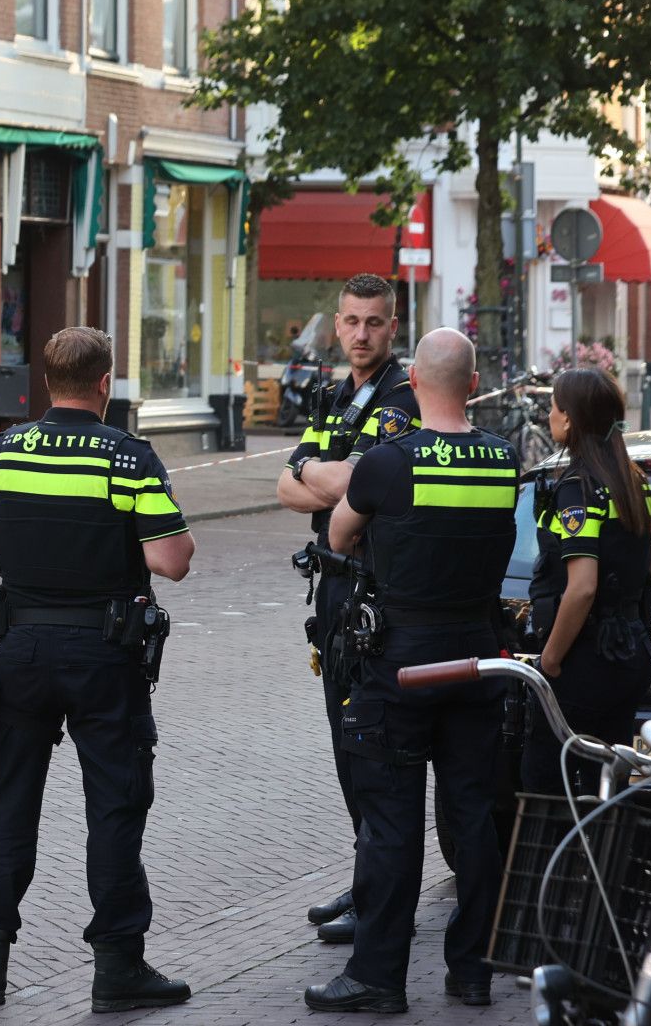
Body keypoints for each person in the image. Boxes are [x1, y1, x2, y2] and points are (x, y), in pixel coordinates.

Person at [0, 326, 197, 1011]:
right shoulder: (128, 457)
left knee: (9, 803)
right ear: (105, 382)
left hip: (20, 653)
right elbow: (172, 559)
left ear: (43, 384)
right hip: (105, 656)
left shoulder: (5, 452)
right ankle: (118, 968)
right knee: (114, 808)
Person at [306, 328, 517, 1013]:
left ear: (416, 384)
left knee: (391, 824)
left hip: (398, 664)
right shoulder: (502, 462)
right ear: (476, 384)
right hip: (477, 660)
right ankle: (474, 969)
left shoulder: (389, 462)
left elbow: (338, 536)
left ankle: (377, 978)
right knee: (474, 818)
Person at [274, 273, 422, 944]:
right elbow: (288, 484)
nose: (362, 333)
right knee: (343, 742)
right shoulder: (335, 394)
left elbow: (355, 483)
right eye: (352, 321)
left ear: (394, 328)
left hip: (371, 587)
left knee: (369, 746)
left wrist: (314, 473)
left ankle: (382, 898)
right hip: (332, 586)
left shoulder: (399, 398)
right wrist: (319, 475)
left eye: (375, 323)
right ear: (337, 325)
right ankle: (368, 879)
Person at [521, 368, 651, 796]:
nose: (549, 415)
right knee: (608, 780)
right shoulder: (635, 481)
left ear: (571, 419)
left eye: (553, 407)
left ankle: (565, 862)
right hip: (628, 656)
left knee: (546, 783)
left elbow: (581, 587)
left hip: (585, 663)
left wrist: (550, 661)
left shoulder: (578, 489)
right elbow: (650, 568)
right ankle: (606, 859)